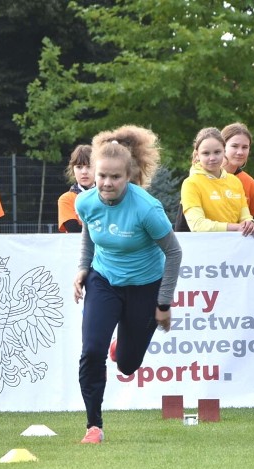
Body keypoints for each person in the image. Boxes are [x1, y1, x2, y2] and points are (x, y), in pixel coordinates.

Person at [73, 126, 182, 444]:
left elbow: (173, 253)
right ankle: (94, 425)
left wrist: (163, 304)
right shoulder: (86, 203)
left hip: (145, 287)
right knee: (92, 352)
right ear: (94, 173)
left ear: (129, 175)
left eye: (115, 177)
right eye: (101, 176)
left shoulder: (146, 208)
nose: (107, 183)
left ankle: (121, 347)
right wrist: (82, 268)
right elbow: (90, 233)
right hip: (104, 281)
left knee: (128, 364)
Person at [179, 127, 254, 236]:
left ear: (224, 151)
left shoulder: (235, 181)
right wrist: (236, 227)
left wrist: (250, 224)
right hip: (206, 249)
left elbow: (245, 217)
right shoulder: (190, 183)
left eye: (217, 152)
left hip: (236, 247)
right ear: (197, 155)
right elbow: (198, 225)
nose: (212, 158)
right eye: (206, 153)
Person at [221, 123, 254, 227]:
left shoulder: (250, 183)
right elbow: (183, 225)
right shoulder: (201, 178)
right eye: (235, 146)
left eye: (245, 147)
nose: (240, 152)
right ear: (222, 146)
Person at [58, 145, 94, 233]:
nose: (84, 172)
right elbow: (74, 230)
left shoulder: (108, 196)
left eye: (89, 166)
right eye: (79, 167)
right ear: (73, 170)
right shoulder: (66, 199)